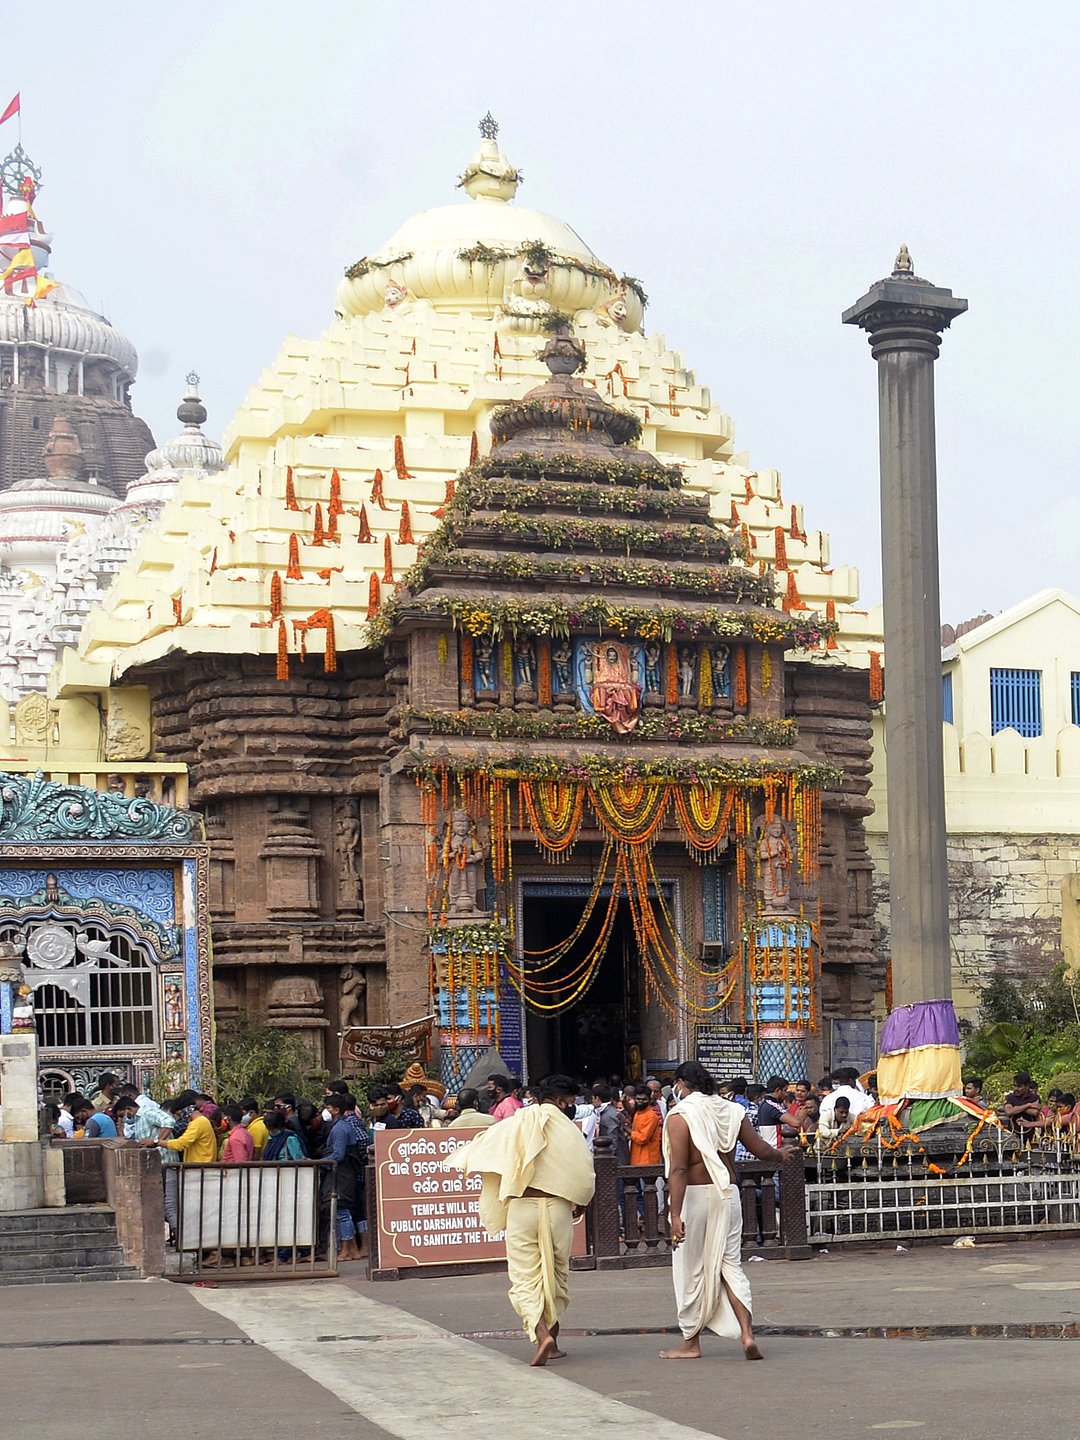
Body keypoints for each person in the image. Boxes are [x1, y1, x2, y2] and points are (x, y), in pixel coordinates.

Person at [442, 1074, 595, 1367]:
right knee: (557, 1273)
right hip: (558, 1205)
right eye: (571, 1102)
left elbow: (485, 1147)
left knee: (525, 1275)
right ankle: (554, 1338)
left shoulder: (514, 1122)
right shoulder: (569, 1129)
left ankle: (540, 1332)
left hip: (522, 1206)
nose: (571, 1108)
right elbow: (583, 1171)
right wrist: (580, 1200)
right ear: (562, 1101)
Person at [659, 1060, 793, 1363]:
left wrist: (675, 1214)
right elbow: (759, 1149)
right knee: (730, 1266)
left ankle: (691, 1343)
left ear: (682, 1084)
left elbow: (679, 1168)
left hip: (694, 1196)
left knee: (690, 1269)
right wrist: (781, 1156)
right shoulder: (733, 1110)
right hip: (728, 1194)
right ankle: (747, 1334)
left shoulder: (679, 1115)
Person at [318, 1093, 364, 1262]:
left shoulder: (339, 1129)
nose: (327, 1111)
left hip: (341, 1174)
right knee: (341, 1211)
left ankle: (346, 1249)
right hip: (344, 1173)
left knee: (341, 1211)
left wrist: (318, 1163)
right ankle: (350, 1249)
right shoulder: (342, 1126)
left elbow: (338, 1154)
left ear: (336, 1110)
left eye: (329, 1108)